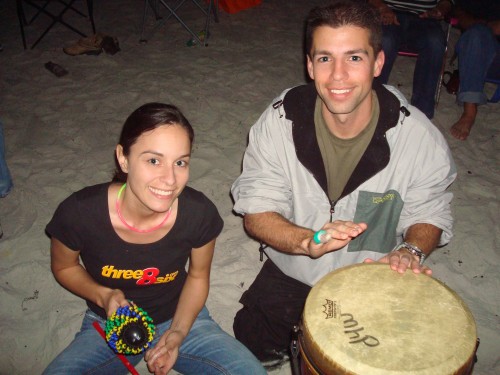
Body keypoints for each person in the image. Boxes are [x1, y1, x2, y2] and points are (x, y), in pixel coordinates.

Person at [230, 0, 456, 365]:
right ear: (309, 64)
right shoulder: (280, 121)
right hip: (295, 263)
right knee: (254, 345)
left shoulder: (417, 137)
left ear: (378, 63)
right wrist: (308, 241)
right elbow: (258, 210)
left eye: (354, 57)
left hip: (370, 273)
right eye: (324, 58)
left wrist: (410, 251)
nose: (337, 76)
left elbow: (431, 209)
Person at [43, 103, 266, 375]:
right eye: (153, 160)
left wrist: (178, 333)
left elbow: (197, 277)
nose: (170, 179)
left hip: (178, 316)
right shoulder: (80, 212)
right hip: (110, 320)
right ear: (123, 158)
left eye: (180, 162)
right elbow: (64, 266)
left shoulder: (198, 213)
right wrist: (104, 296)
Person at [368, 0, 454, 119]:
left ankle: (422, 112)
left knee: (435, 43)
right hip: (389, 12)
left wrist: (440, 9)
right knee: (386, 41)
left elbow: (447, 2)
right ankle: (372, 100)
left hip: (425, 17)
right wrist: (382, 7)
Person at [449, 0, 500, 140]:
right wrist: (487, 26)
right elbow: (459, 13)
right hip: (482, 48)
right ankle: (469, 111)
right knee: (475, 35)